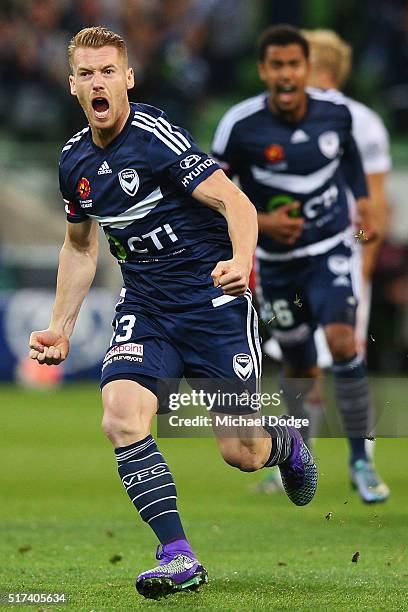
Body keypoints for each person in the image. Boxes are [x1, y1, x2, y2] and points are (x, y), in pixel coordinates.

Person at [28, 27, 317, 601]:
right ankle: (178, 554)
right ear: (72, 87)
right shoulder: (74, 163)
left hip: (212, 304)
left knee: (242, 452)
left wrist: (240, 260)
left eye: (108, 71)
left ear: (127, 77)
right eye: (86, 74)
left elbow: (235, 201)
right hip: (147, 306)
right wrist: (60, 328)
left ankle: (280, 444)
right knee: (122, 417)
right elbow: (81, 248)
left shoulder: (155, 137)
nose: (98, 82)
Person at [212, 24, 388, 504]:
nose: (287, 75)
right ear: (263, 71)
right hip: (276, 262)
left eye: (295, 65)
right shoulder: (239, 126)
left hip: (331, 250)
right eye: (278, 66)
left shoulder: (336, 115)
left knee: (342, 340)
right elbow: (214, 194)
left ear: (307, 69)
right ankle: (298, 454)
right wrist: (264, 222)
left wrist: (365, 201)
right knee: (300, 365)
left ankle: (359, 462)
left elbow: (349, 158)